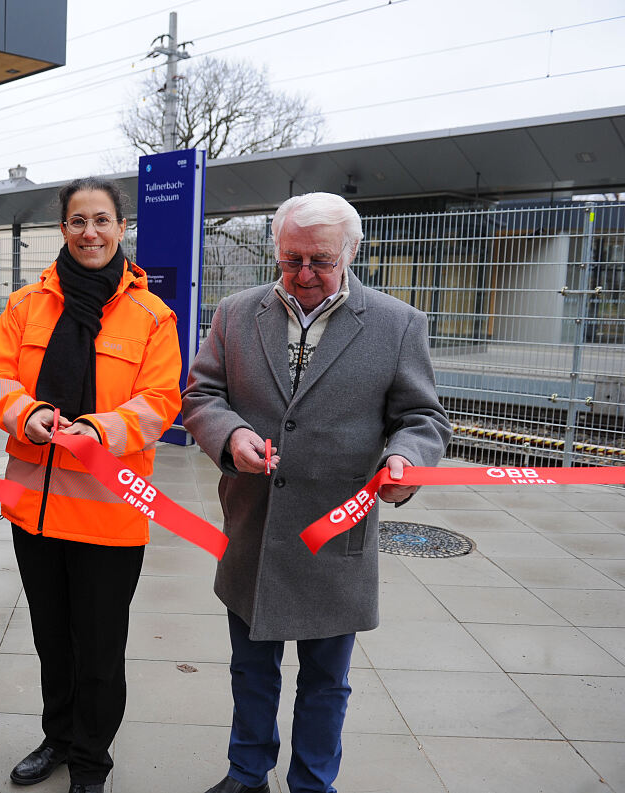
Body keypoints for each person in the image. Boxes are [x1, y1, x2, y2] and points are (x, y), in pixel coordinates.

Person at [182, 192, 451, 793]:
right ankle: (247, 775)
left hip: (336, 535)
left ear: (352, 253)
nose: (304, 275)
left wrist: (406, 459)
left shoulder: (396, 323)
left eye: (321, 261)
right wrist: (231, 436)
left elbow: (424, 419)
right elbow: (201, 397)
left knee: (326, 679)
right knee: (252, 671)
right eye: (291, 259)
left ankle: (311, 783)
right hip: (253, 529)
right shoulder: (236, 312)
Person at [0, 177, 182, 793]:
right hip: (33, 513)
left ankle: (91, 761)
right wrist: (27, 413)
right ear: (62, 229)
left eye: (101, 220)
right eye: (76, 221)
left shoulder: (152, 316)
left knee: (98, 650)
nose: (89, 232)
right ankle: (57, 737)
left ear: (121, 229)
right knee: (51, 642)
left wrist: (97, 429)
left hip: (110, 516)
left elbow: (160, 400)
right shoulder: (24, 306)